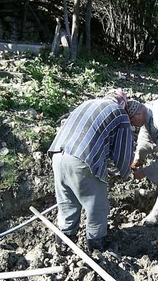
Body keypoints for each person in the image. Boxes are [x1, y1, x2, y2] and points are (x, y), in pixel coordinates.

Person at [48, 89, 134, 252]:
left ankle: (63, 247)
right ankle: (96, 247)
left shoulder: (86, 103)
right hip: (82, 159)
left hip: (57, 155)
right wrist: (123, 173)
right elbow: (123, 153)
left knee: (67, 201)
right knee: (97, 205)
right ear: (123, 104)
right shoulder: (120, 113)